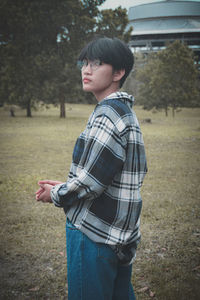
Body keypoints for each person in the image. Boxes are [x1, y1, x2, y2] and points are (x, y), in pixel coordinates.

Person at [36, 36, 147, 300]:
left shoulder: (108, 114)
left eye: (97, 63)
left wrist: (55, 194)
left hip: (94, 233)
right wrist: (65, 185)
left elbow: (91, 183)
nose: (87, 69)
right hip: (119, 234)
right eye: (84, 63)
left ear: (118, 72)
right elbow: (100, 174)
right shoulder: (124, 112)